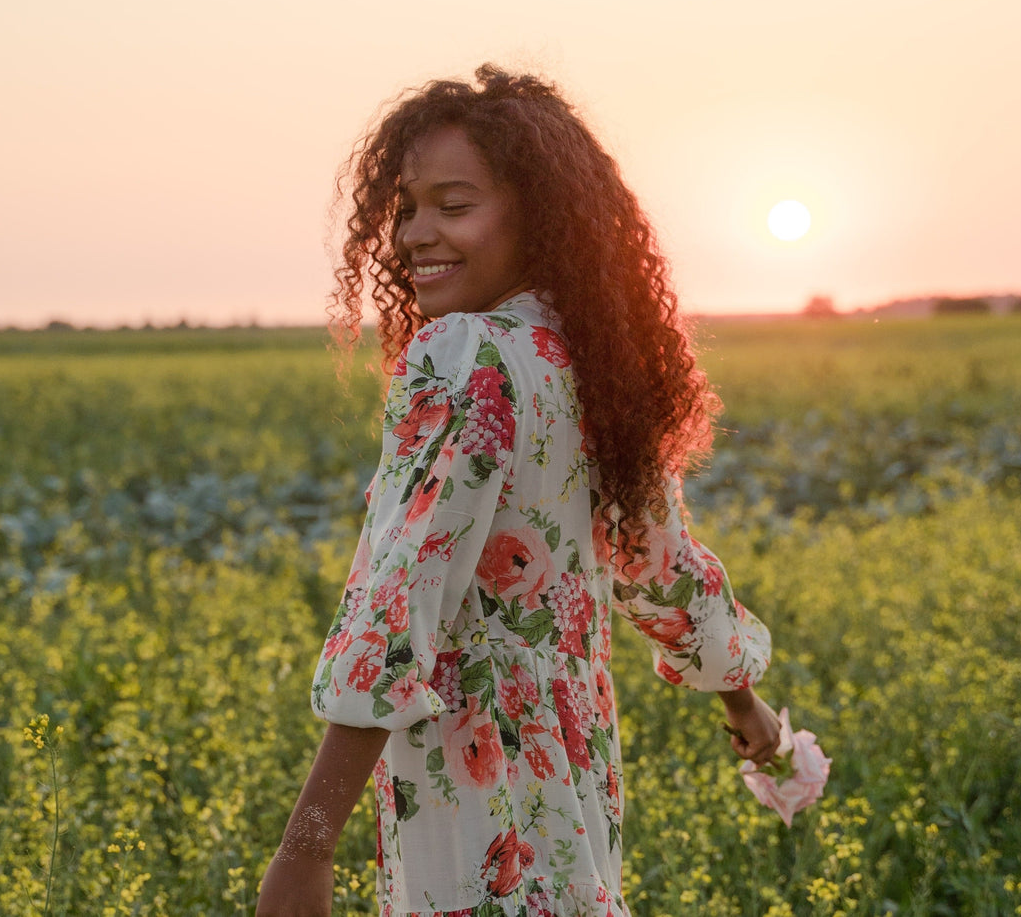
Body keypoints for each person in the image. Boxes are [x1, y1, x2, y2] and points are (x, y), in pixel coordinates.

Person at [256, 66, 780, 917]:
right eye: (405, 208)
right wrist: (744, 703)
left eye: (453, 206)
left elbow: (399, 602)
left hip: (475, 787)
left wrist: (306, 847)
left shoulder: (465, 353)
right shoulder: (589, 364)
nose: (414, 235)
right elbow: (662, 566)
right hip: (572, 773)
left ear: (537, 216)